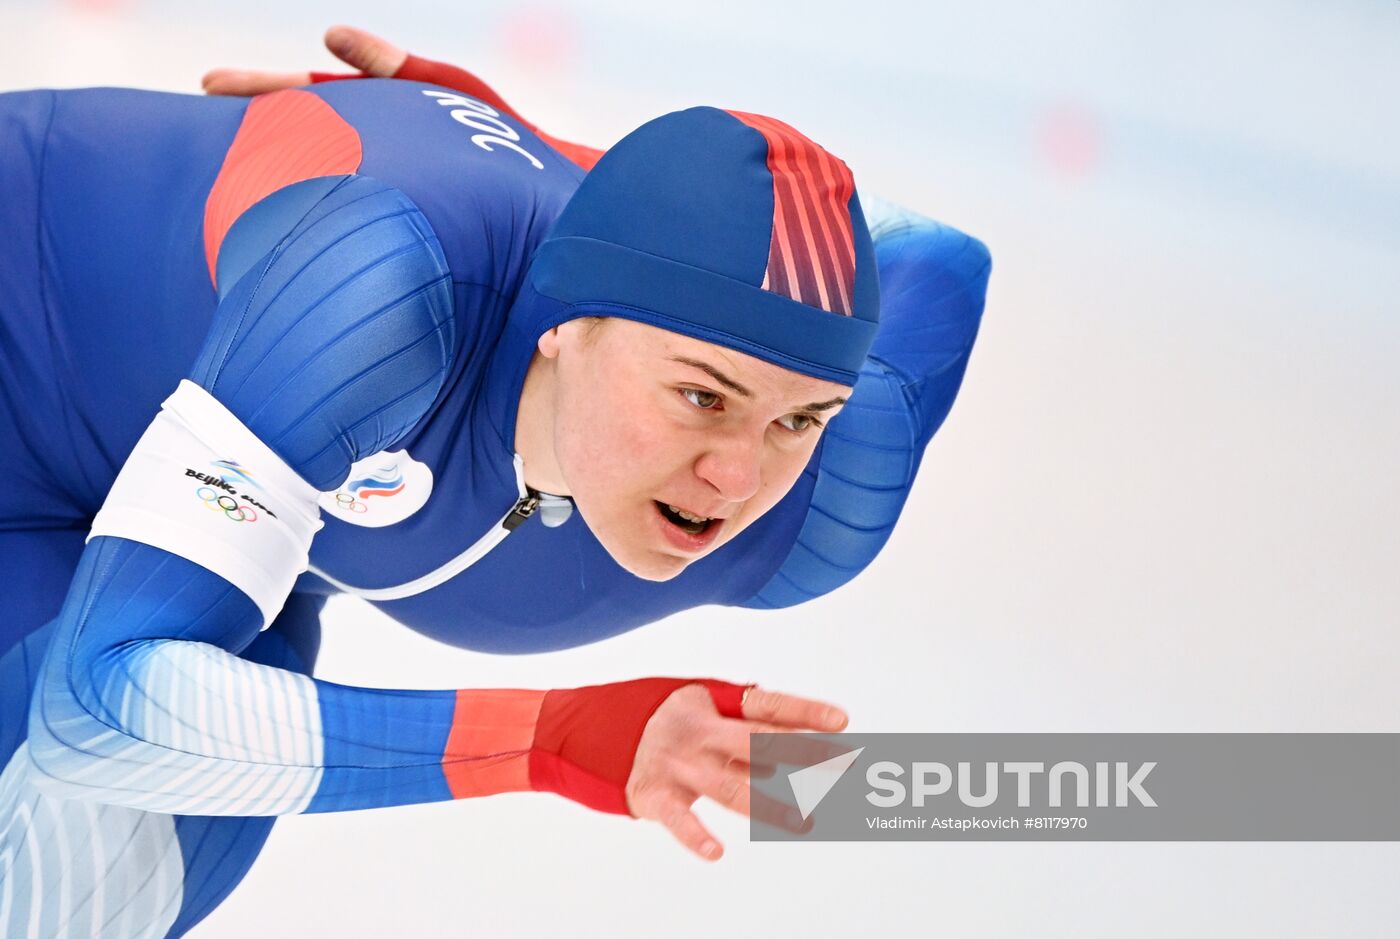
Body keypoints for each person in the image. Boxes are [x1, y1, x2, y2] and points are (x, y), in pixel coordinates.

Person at [0, 26, 991, 937]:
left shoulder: (810, 518)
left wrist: (567, 164)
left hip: (201, 532)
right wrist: (544, 737)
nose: (736, 477)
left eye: (797, 421)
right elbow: (100, 707)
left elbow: (941, 259)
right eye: (701, 398)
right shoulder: (383, 282)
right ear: (565, 325)